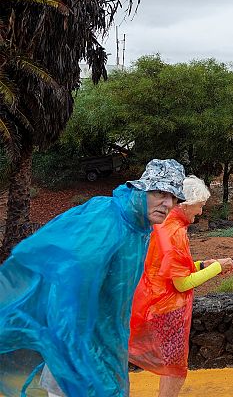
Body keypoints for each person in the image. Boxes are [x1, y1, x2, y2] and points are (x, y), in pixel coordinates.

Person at [0, 159, 186, 397]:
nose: (168, 203)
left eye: (174, 198)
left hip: (104, 344)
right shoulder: (106, 219)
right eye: (160, 192)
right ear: (141, 189)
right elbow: (70, 282)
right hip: (78, 349)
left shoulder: (140, 228)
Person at [129, 176, 233, 397]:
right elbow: (182, 282)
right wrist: (217, 268)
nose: (201, 212)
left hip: (154, 301)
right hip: (168, 309)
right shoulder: (175, 231)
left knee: (170, 366)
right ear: (187, 203)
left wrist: (205, 264)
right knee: (175, 369)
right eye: (200, 206)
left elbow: (172, 268)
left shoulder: (163, 224)